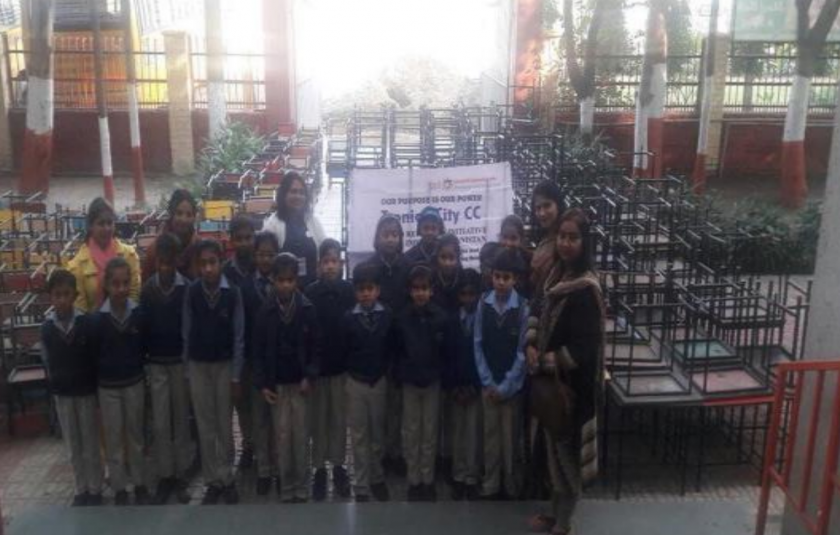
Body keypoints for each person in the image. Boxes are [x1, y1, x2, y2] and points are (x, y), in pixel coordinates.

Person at [526, 209, 605, 535]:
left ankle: (565, 523)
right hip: (549, 386)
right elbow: (535, 310)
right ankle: (554, 513)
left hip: (572, 389)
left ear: (584, 242)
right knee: (551, 452)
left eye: (573, 237)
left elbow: (582, 351)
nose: (566, 243)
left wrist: (544, 361)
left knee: (567, 456)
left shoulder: (586, 288)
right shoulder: (554, 274)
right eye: (562, 236)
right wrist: (530, 344)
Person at [252, 253, 321, 504]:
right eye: (280, 280)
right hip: (277, 385)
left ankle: (302, 485)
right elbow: (257, 352)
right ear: (272, 281)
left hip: (300, 384)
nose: (285, 285)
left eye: (290, 280)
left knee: (301, 436)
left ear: (297, 281)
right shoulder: (265, 312)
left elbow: (316, 348)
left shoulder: (307, 308)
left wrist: (310, 375)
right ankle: (287, 484)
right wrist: (263, 385)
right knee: (282, 438)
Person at [183, 239, 245, 505]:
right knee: (205, 426)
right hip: (198, 366)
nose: (208, 268)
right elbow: (186, 332)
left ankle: (227, 477)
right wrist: (187, 371)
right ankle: (212, 482)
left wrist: (236, 375)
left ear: (221, 263)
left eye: (213, 262)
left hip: (224, 366)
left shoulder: (232, 293)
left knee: (223, 425)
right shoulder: (192, 292)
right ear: (197, 266)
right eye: (203, 264)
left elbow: (239, 336)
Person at [40, 269, 103, 507]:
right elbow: (47, 361)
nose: (62, 300)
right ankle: (81, 488)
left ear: (75, 295)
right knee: (73, 445)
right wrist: (54, 386)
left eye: (67, 294)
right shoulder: (46, 329)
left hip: (85, 391)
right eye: (57, 295)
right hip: (63, 394)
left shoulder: (86, 323)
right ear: (50, 297)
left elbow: (93, 357)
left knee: (90, 442)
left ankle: (95, 487)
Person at [140, 233, 193, 505]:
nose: (165, 268)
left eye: (170, 263)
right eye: (161, 263)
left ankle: (182, 475)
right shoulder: (148, 290)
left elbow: (189, 328)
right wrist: (147, 364)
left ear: (177, 261)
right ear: (156, 261)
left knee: (180, 421)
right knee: (161, 423)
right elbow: (144, 328)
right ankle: (164, 476)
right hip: (157, 364)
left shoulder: (187, 288)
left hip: (180, 364)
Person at [92, 257, 148, 505]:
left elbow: (143, 349)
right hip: (108, 389)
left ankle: (139, 483)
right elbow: (93, 357)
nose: (121, 289)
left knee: (136, 437)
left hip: (134, 383)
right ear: (106, 285)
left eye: (126, 283)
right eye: (116, 284)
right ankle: (119, 488)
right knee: (114, 440)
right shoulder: (97, 320)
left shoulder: (138, 314)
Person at [474, 247, 529, 501]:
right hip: (488, 387)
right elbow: (477, 344)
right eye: (497, 276)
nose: (501, 282)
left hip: (511, 389)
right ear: (491, 277)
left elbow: (522, 351)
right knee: (491, 438)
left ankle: (511, 484)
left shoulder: (523, 309)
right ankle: (491, 484)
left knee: (510, 439)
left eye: (507, 277)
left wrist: (506, 386)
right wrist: (488, 382)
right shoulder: (482, 304)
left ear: (515, 279)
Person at [395, 264, 453, 502]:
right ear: (410, 291)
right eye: (416, 288)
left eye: (424, 288)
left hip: (432, 383)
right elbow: (396, 351)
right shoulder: (401, 318)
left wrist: (438, 374)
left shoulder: (441, 317)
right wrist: (401, 375)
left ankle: (427, 481)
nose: (420, 293)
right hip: (410, 383)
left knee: (429, 433)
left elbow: (446, 352)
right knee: (411, 432)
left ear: (432, 291)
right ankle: (413, 480)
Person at [304, 239, 355, 501]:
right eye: (326, 262)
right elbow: (308, 334)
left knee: (338, 421)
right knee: (319, 422)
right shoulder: (310, 294)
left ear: (341, 264)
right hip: (318, 371)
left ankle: (339, 467)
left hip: (341, 369)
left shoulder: (349, 291)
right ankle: (319, 469)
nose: (330, 266)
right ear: (319, 265)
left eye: (334, 261)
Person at [341, 261, 394, 503]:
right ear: (355, 292)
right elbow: (344, 351)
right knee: (359, 435)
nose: (365, 293)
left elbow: (392, 348)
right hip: (356, 383)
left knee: (377, 434)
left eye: (370, 288)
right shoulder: (348, 319)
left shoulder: (388, 316)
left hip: (379, 382)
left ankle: (377, 478)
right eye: (361, 289)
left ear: (378, 290)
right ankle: (361, 483)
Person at [366, 214, 410, 474]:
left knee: (398, 406)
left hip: (402, 343)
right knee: (379, 406)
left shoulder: (409, 266)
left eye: (395, 234)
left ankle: (396, 452)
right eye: (386, 234)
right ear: (377, 237)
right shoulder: (371, 268)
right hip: (377, 344)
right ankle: (379, 454)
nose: (391, 238)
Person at [240, 231, 280, 495]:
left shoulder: (284, 284)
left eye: (270, 254)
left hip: (279, 363)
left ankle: (279, 469)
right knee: (260, 420)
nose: (266, 259)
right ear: (254, 256)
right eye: (261, 254)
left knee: (279, 421)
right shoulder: (244, 287)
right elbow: (241, 328)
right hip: (256, 363)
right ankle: (263, 469)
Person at [224, 214, 257, 470]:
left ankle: (264, 446)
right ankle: (248, 445)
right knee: (242, 403)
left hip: (258, 348)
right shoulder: (226, 272)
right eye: (240, 238)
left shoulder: (263, 266)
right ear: (231, 241)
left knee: (260, 402)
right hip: (236, 350)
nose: (245, 243)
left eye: (249, 238)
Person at [68, 197, 141, 312]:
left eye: (109, 223)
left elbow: (134, 296)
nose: (106, 228)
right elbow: (80, 310)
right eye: (101, 224)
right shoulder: (76, 266)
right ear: (90, 226)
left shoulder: (129, 255)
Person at [449, 268, 483, 501]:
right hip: (456, 387)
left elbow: (484, 355)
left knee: (473, 434)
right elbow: (447, 356)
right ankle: (458, 475)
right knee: (457, 434)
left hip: (476, 386)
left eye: (472, 294)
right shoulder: (451, 319)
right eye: (464, 294)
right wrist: (455, 385)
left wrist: (473, 385)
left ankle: (472, 476)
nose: (468, 299)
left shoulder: (484, 318)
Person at [262, 172, 326, 287]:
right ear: (283, 195)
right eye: (293, 191)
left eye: (301, 192)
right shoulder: (272, 225)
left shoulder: (312, 221)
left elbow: (325, 250)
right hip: (284, 290)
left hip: (312, 288)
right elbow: (266, 261)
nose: (298, 196)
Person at [143, 189, 200, 281]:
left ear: (194, 217)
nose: (183, 219)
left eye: (189, 214)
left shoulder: (200, 248)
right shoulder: (155, 250)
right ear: (171, 214)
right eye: (179, 213)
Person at [530, 181, 564, 300]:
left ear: (558, 204)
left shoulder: (564, 239)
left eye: (547, 205)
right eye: (538, 208)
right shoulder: (546, 236)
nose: (542, 213)